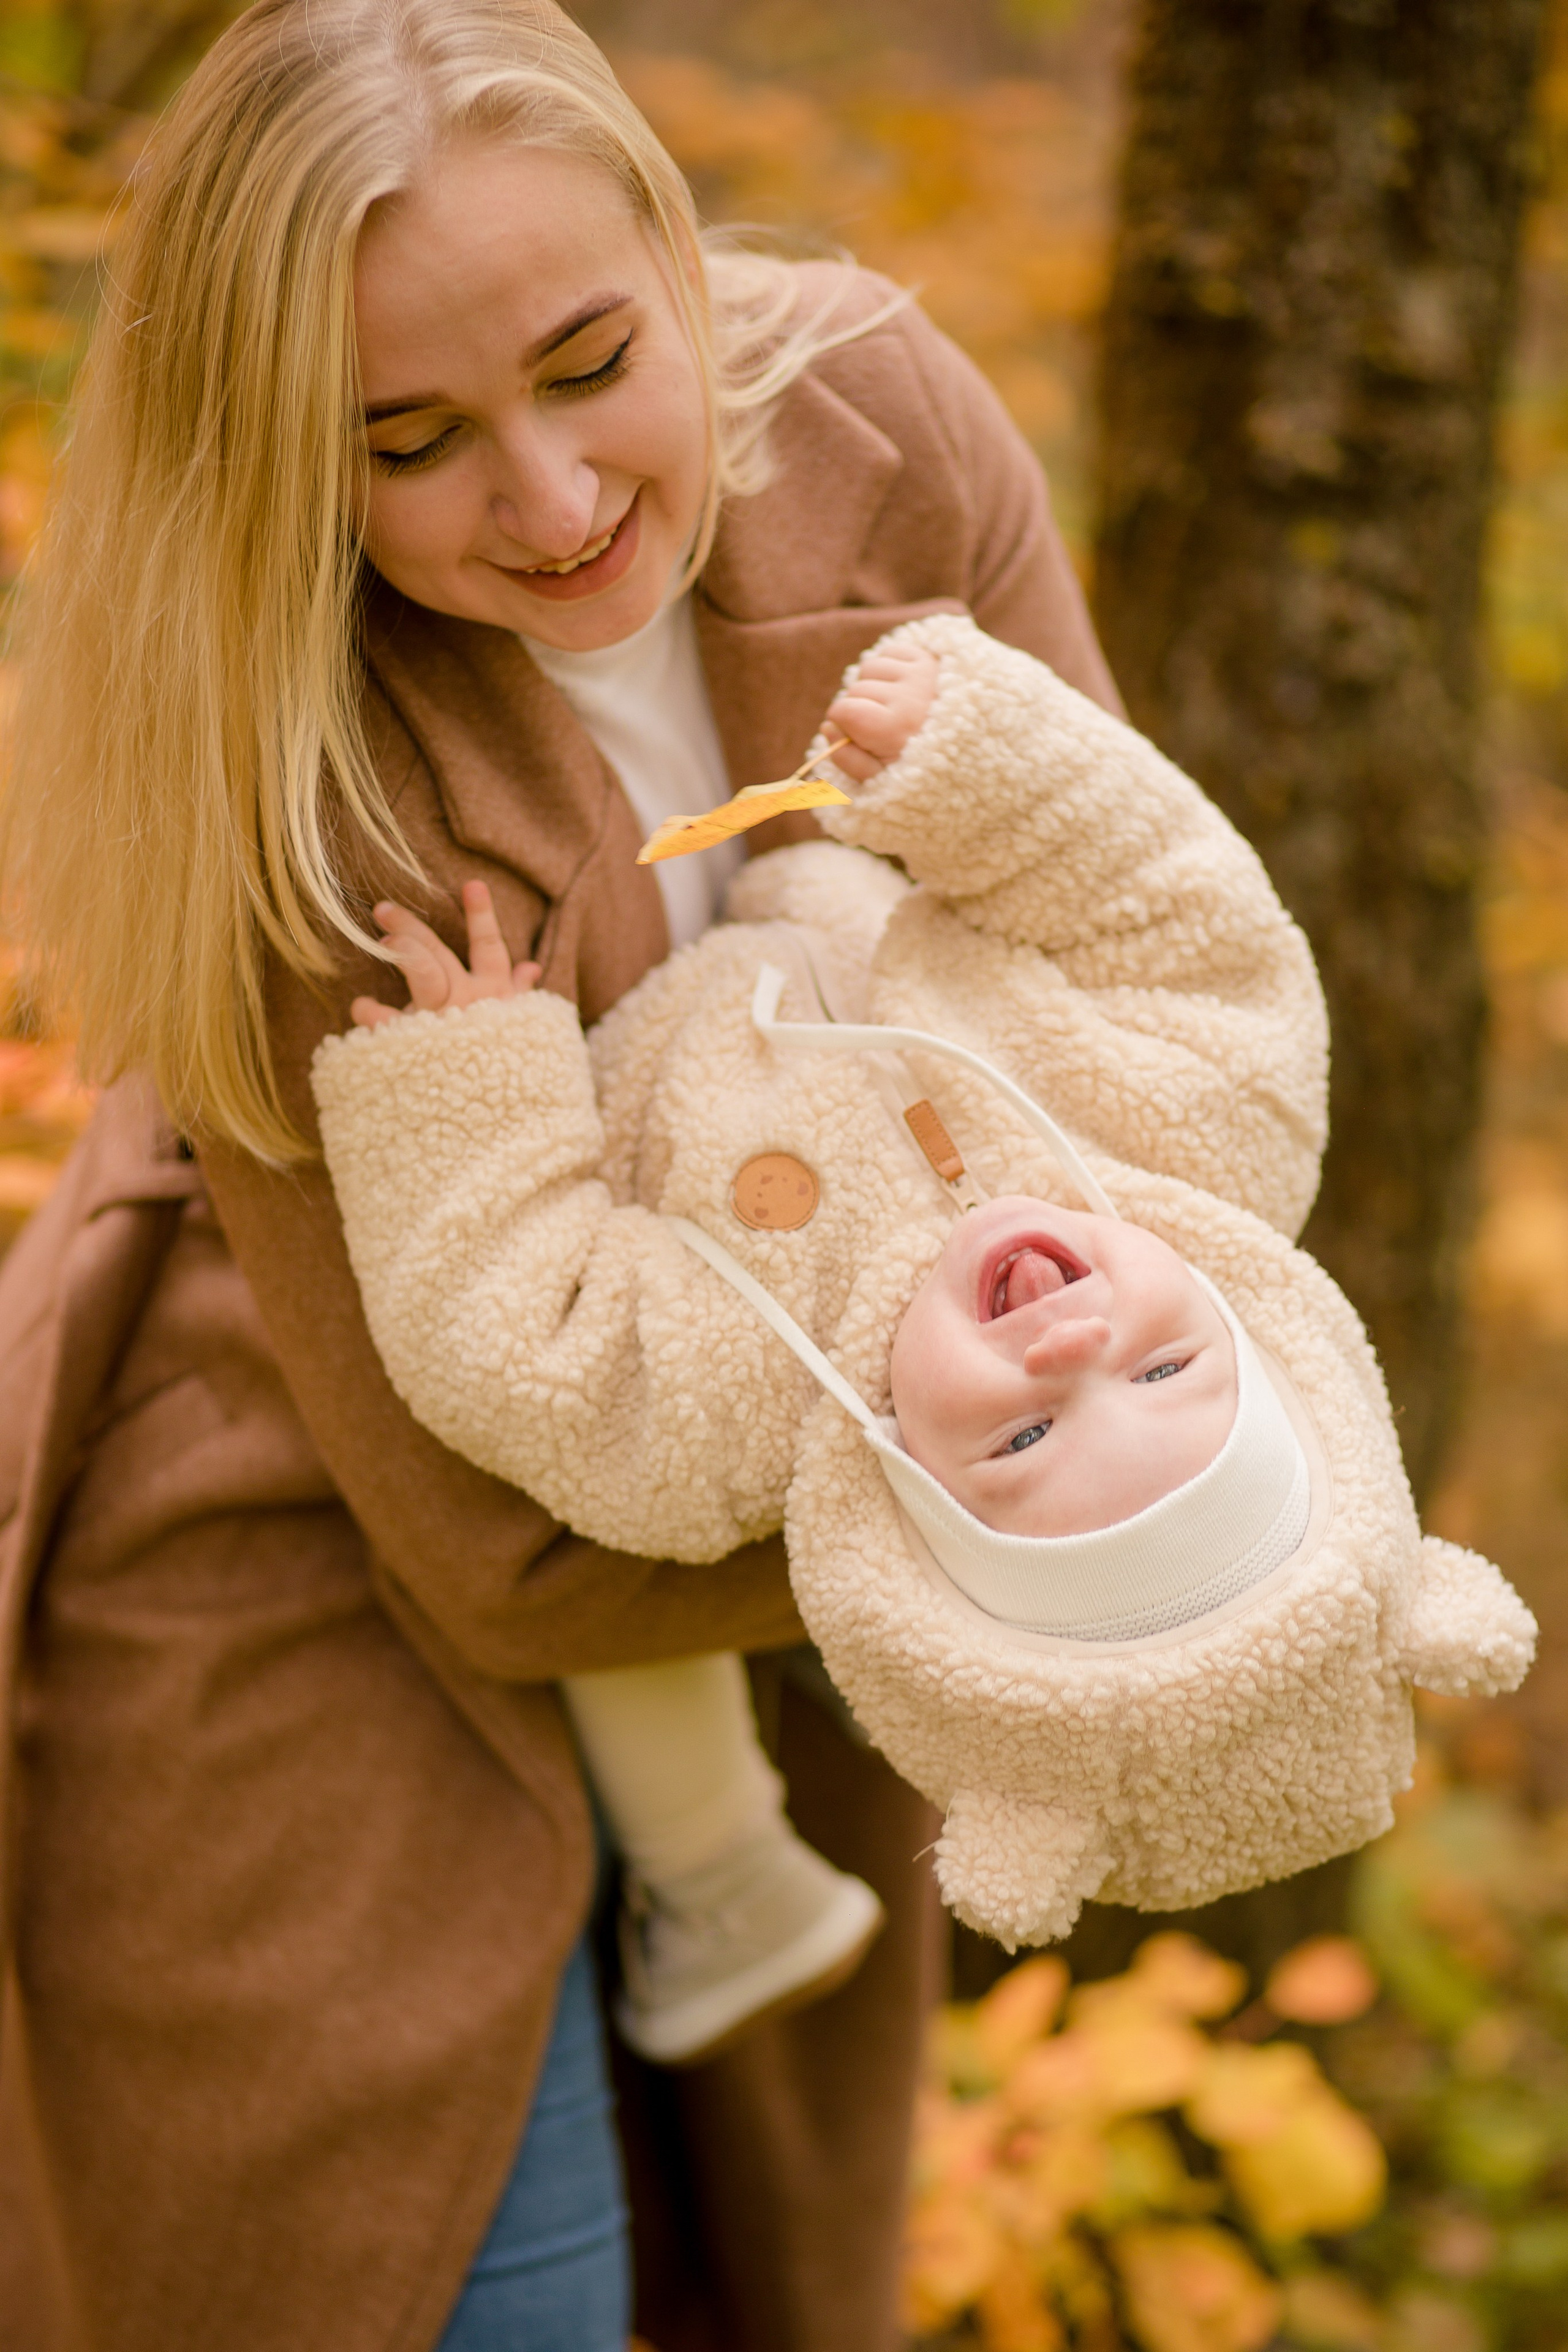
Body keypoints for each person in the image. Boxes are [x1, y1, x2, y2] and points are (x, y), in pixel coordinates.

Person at [0, 2, 1127, 2348]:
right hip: (314, 1582)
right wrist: (1032, 1475)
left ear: (675, 254)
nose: (546, 500)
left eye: (593, 363)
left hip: (770, 1579)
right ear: (286, 468)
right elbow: (504, 1557)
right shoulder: (294, 748)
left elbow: (1118, 972)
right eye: (406, 443)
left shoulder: (882, 421)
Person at [317, 611, 1537, 1975]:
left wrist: (468, 1077)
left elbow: (510, 1336)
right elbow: (1177, 913)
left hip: (611, 973)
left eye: (1022, 1439)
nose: (1069, 1346)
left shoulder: (722, 1409)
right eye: (1164, 1370)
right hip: (826, 837)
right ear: (1252, 1334)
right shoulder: (1209, 1121)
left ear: (912, 1503)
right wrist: (976, 765)